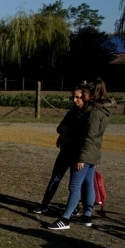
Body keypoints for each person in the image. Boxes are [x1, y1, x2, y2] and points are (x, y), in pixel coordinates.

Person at [48, 79, 111, 230]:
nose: (80, 98)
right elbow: (97, 138)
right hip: (92, 153)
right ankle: (87, 215)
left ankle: (65, 218)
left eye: (83, 95)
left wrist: (82, 158)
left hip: (84, 153)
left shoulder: (93, 114)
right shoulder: (102, 111)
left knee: (74, 186)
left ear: (91, 95)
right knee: (88, 184)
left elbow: (89, 137)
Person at [31, 85, 91, 214]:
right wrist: (66, 134)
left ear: (85, 97)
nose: (74, 100)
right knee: (55, 178)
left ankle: (77, 209)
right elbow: (60, 127)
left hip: (78, 154)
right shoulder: (72, 112)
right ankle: (44, 205)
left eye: (78, 97)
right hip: (65, 151)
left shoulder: (89, 115)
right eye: (72, 97)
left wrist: (68, 134)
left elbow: (85, 135)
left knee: (75, 184)